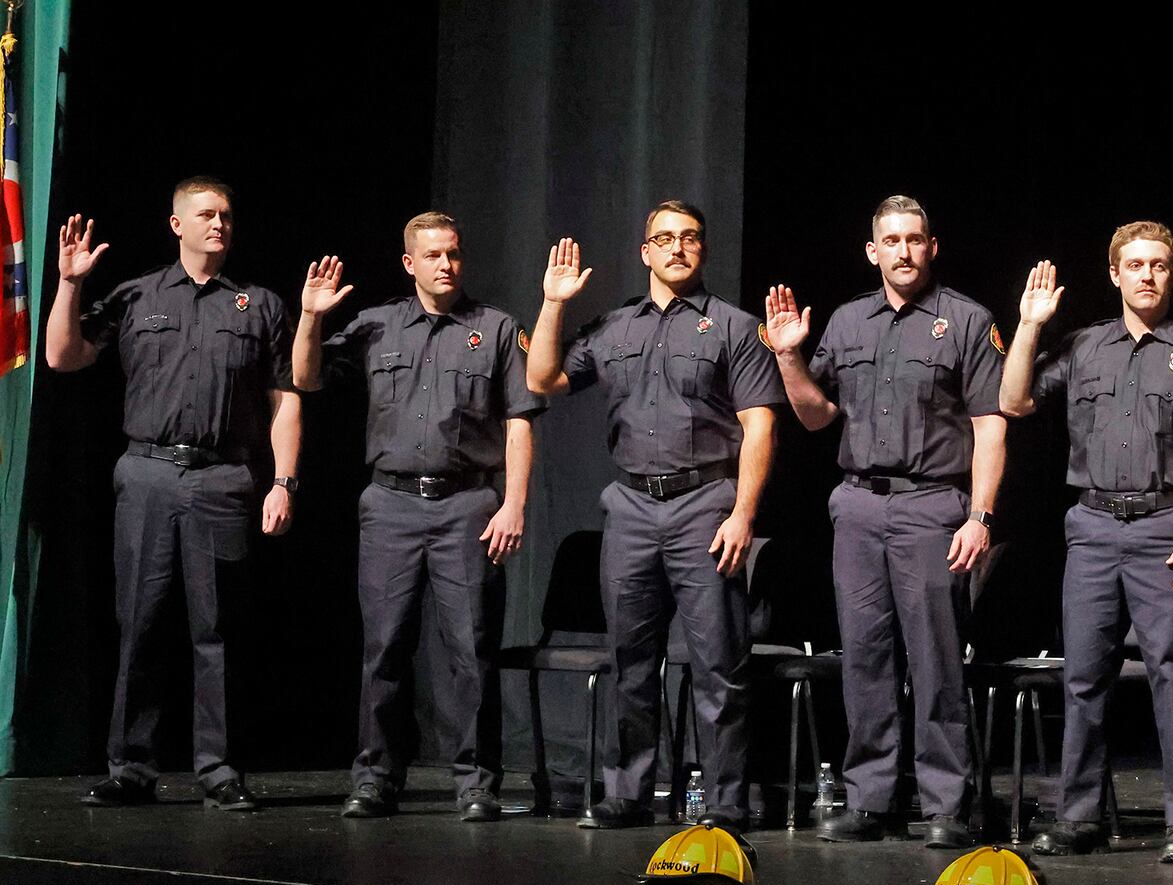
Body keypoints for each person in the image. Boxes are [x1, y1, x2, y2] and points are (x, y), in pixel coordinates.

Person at [525, 201, 782, 831]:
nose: (676, 248)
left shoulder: (734, 327)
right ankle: (629, 793)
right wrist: (554, 303)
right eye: (663, 239)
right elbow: (543, 379)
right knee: (630, 661)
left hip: (706, 505)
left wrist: (743, 514)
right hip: (633, 506)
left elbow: (760, 426)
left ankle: (724, 802)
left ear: (703, 250)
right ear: (645, 251)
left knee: (719, 663)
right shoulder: (614, 327)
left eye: (689, 238)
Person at [46, 177, 301, 811]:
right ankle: (131, 767)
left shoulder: (260, 305)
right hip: (148, 474)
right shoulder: (136, 296)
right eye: (206, 214)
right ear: (176, 225)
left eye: (227, 215)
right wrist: (71, 282)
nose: (219, 224)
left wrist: (283, 481)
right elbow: (62, 356)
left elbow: (284, 400)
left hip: (222, 479)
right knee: (141, 623)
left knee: (217, 629)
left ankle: (218, 768)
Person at [763, 194, 1006, 849]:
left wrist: (980, 515)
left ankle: (944, 803)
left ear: (932, 247)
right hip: (859, 504)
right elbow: (815, 416)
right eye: (890, 240)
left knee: (934, 660)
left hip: (933, 505)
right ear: (872, 251)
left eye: (914, 239)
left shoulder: (966, 320)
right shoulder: (846, 322)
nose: (903, 251)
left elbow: (989, 426)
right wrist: (788, 356)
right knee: (864, 655)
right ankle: (871, 797)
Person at [1000, 223, 1173, 863]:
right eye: (1134, 264)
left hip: (1170, 530)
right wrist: (1029, 325)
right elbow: (1013, 399)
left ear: (1172, 273)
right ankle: (1078, 817)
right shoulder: (1082, 347)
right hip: (1094, 527)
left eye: (1158, 264)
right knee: (1084, 677)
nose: (1146, 275)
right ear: (1114, 274)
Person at [292, 211, 542, 822]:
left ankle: (477, 782)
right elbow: (305, 377)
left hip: (468, 505)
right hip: (391, 505)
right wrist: (310, 316)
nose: (447, 265)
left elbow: (519, 422)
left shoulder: (497, 327)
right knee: (385, 647)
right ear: (410, 263)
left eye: (453, 254)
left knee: (471, 649)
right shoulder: (376, 326)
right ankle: (376, 776)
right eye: (433, 255)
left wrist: (513, 503)